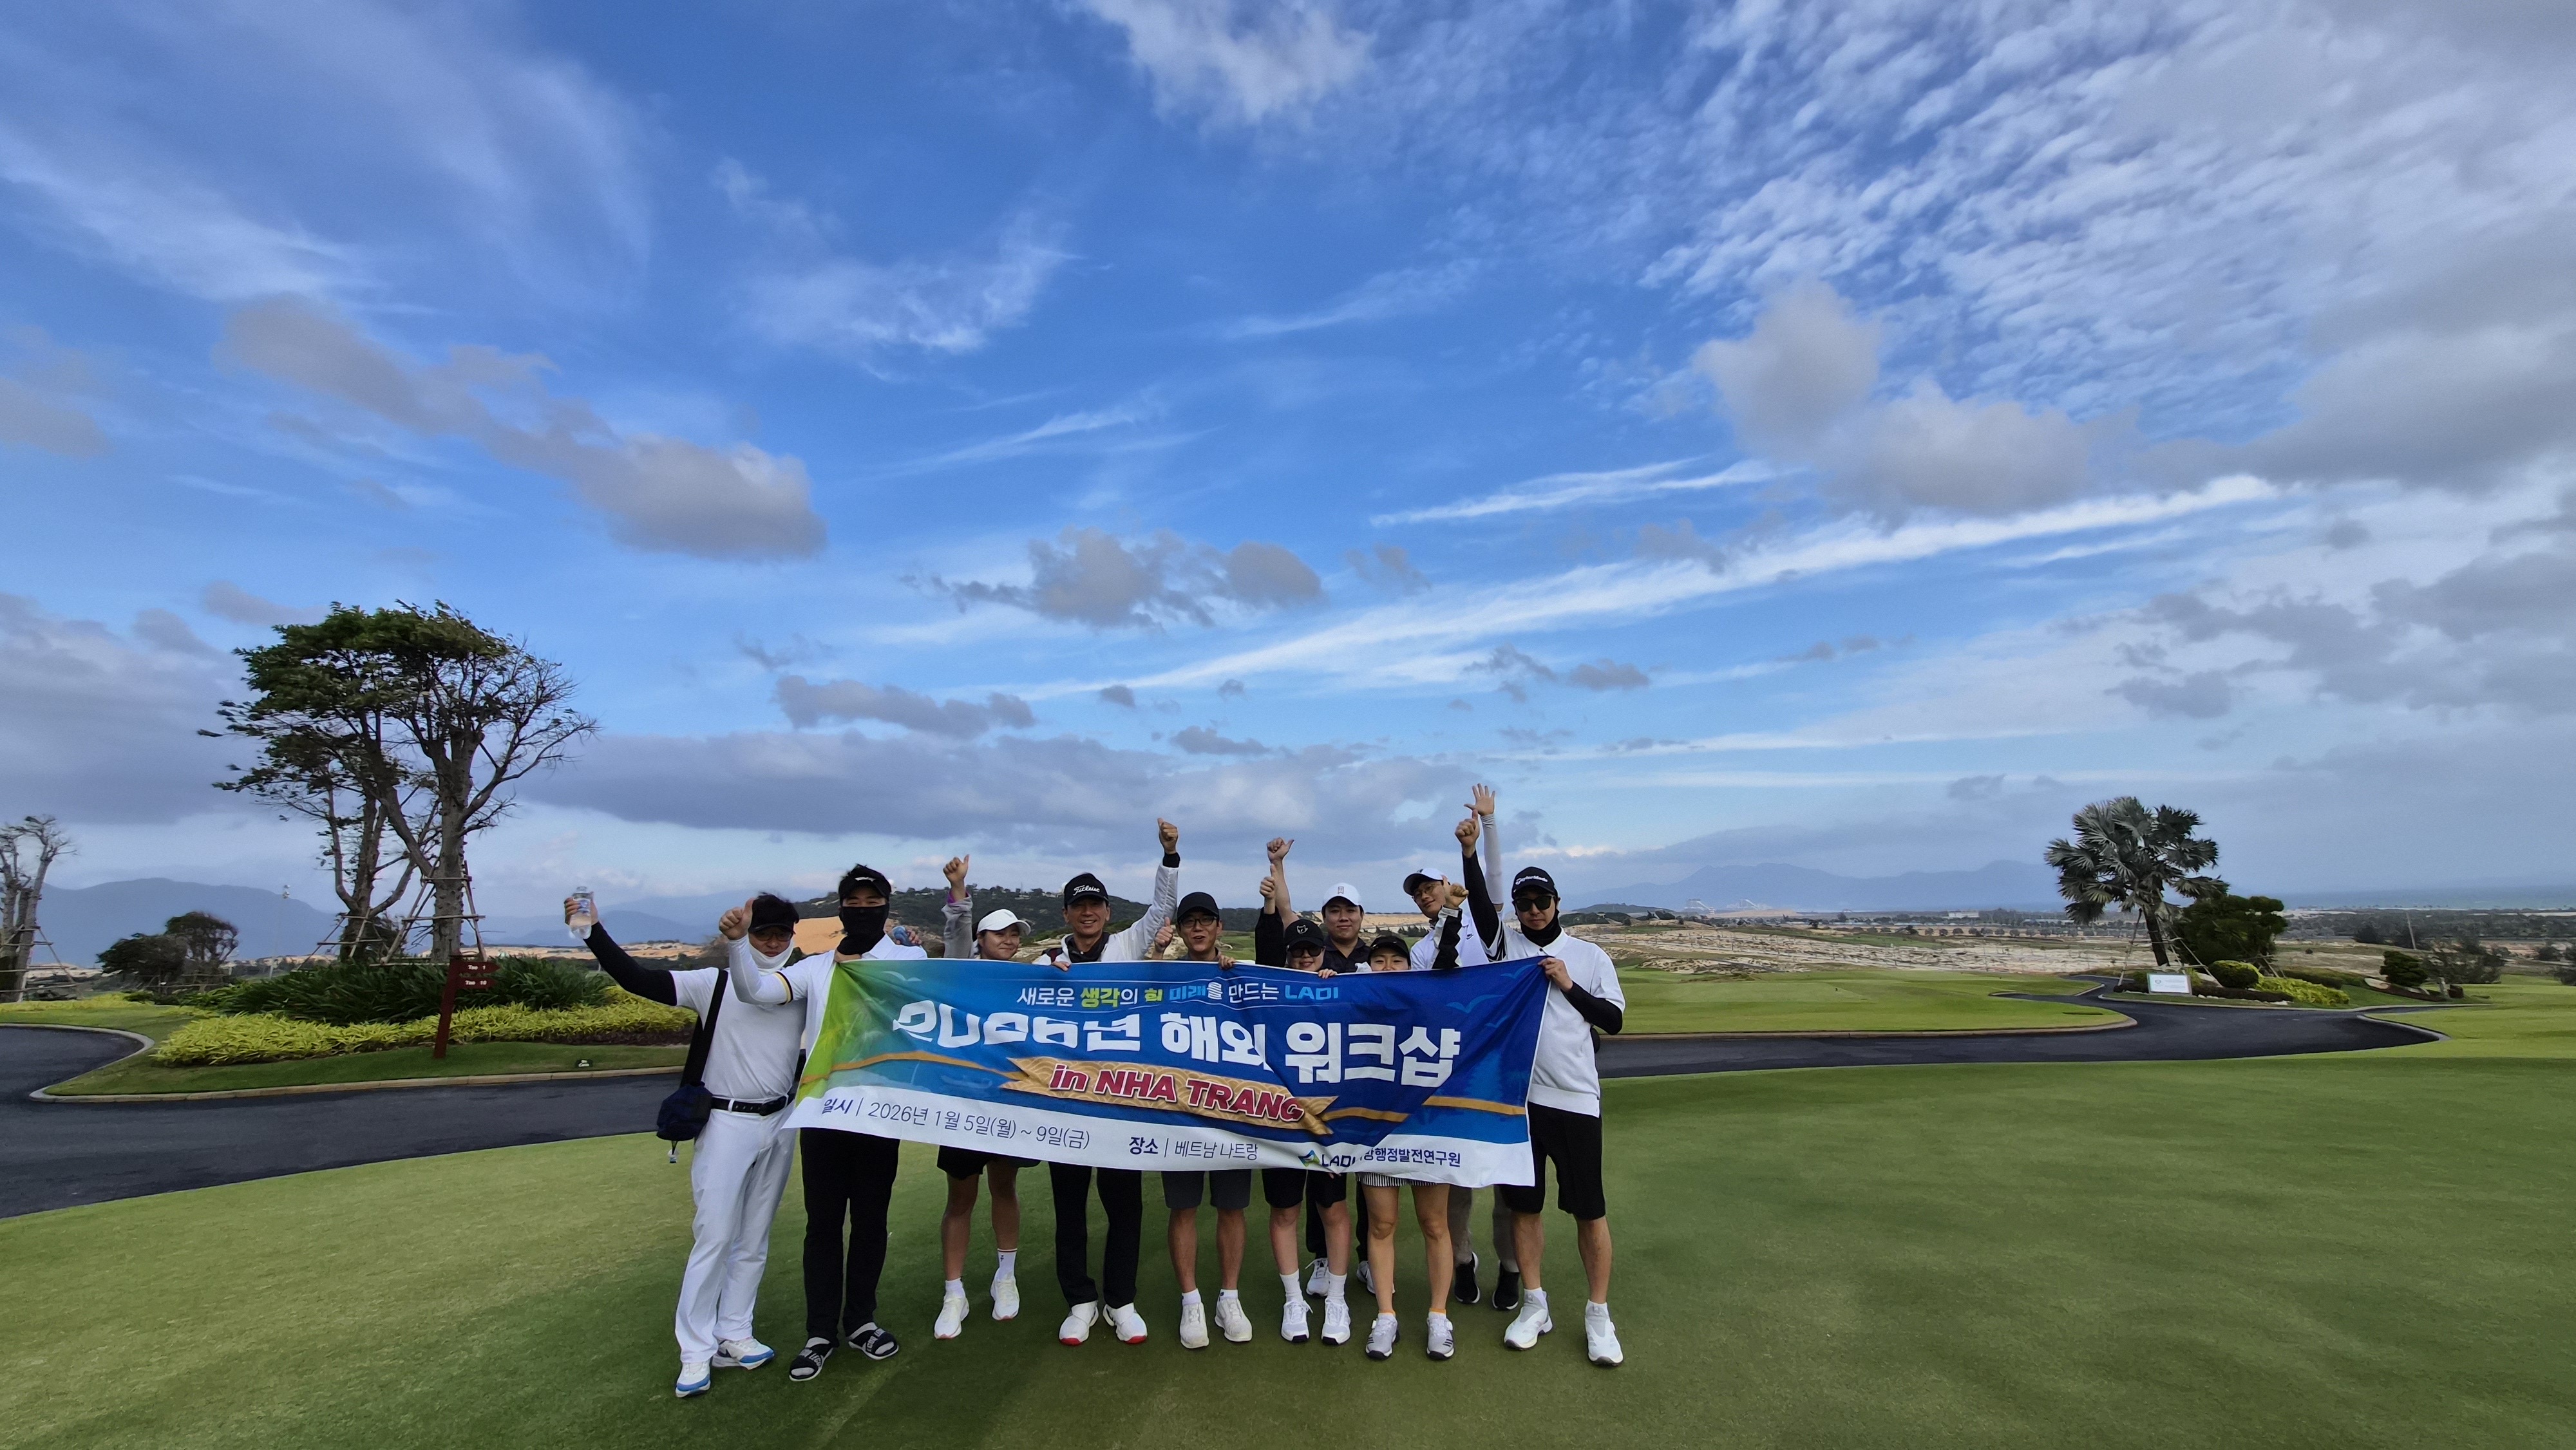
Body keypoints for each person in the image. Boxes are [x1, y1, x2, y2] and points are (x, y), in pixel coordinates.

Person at [569, 891, 804, 1398]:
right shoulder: (713, 984)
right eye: (763, 933)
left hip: (781, 1120)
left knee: (754, 1238)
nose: (772, 943)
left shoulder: (800, 989)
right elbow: (637, 978)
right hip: (725, 1121)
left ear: (792, 937)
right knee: (715, 1236)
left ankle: (735, 1332)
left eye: (781, 934)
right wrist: (591, 931)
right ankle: (696, 1350)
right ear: (747, 935)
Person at [722, 864, 929, 1382]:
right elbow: (755, 992)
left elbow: (961, 981)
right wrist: (737, 945)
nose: (862, 910)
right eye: (853, 903)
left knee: (871, 1221)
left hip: (879, 1111)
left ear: (886, 906)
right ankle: (819, 1333)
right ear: (841, 909)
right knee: (823, 1225)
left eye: (871, 902)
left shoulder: (908, 959)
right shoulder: (814, 969)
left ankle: (861, 1321)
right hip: (822, 1113)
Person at [1043, 819, 1183, 1348]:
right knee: (1070, 1208)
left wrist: (1169, 855)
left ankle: (1120, 1300)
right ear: (1067, 913)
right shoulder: (1045, 962)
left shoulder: (1126, 944)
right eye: (1079, 906)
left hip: (1121, 1100)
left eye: (1095, 905)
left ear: (1105, 911)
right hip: (1064, 1102)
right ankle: (1079, 1301)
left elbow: (1163, 909)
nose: (1088, 912)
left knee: (1125, 1206)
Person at [1484, 863, 1628, 1366]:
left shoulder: (1589, 956)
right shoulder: (1507, 948)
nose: (1534, 910)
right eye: (1524, 904)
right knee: (1524, 1209)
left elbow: (1613, 1021)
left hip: (1575, 1100)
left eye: (1541, 901)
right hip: (1520, 1103)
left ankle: (1598, 1315)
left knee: (1590, 1211)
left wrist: (1568, 984)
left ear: (1557, 902)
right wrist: (1474, 845)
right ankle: (1535, 1303)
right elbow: (1481, 904)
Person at [1356, 834, 1477, 1361]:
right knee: (1382, 1225)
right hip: (1376, 1128)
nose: (1387, 968)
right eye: (1378, 962)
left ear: (1410, 967)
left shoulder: (1431, 996)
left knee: (1434, 1224)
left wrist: (1452, 910)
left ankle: (1438, 1316)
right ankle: (1386, 1316)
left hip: (1427, 1125)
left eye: (1395, 961)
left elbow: (1447, 960)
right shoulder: (1357, 1003)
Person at [1401, 784, 1517, 1310]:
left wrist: (1481, 833)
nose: (1425, 895)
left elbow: (1493, 881)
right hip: (1452, 1069)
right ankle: (1464, 1261)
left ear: (1448, 883)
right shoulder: (1422, 950)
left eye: (1430, 886)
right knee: (1458, 1177)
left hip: (1501, 1064)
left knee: (1508, 1181)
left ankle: (1511, 1268)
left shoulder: (1484, 921)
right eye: (1418, 892)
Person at [1251, 838, 1356, 1346]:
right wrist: (1275, 869)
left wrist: (1336, 989)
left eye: (1313, 951)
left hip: (1329, 1122)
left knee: (1333, 1209)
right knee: (1285, 1211)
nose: (1306, 957)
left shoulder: (1343, 986)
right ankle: (1294, 1299)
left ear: (1323, 954)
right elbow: (1276, 924)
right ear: (1288, 957)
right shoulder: (1271, 987)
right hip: (1280, 1120)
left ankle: (1336, 1299)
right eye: (1298, 952)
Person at [929, 854, 1031, 1339]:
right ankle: (954, 1293)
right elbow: (955, 932)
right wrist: (959, 891)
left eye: (1015, 934)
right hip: (964, 1103)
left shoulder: (1026, 978)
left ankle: (1005, 1278)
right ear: (981, 940)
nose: (1010, 940)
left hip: (1008, 1100)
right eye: (1000, 934)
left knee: (1004, 1187)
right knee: (961, 1197)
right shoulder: (961, 971)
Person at [1159, 890, 1255, 1349]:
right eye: (1189, 922)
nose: (1197, 928)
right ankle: (1191, 1300)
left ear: (1219, 927)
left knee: (1232, 1207)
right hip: (1180, 1111)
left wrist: (1238, 979)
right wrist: (1156, 956)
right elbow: (1139, 1007)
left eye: (1205, 921)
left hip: (1232, 1110)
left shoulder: (1239, 974)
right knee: (1184, 1208)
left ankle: (1228, 1298)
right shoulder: (1168, 975)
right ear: (1181, 930)